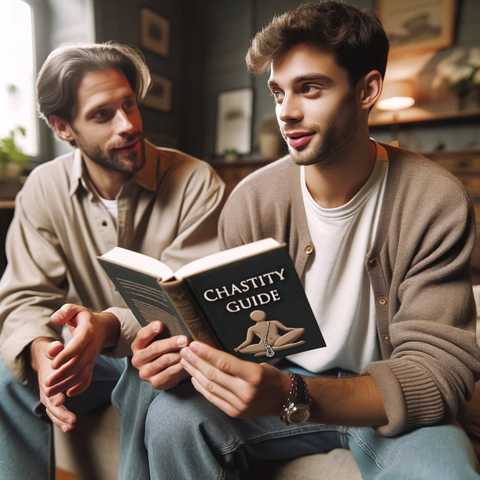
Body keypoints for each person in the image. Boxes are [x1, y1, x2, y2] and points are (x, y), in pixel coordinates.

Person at [125, 2, 480, 479]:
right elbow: (235, 336)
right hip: (281, 381)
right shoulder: (253, 199)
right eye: (277, 92)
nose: (286, 112)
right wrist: (175, 352)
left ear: (367, 90)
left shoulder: (433, 198)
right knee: (171, 420)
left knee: (446, 471)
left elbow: (438, 374)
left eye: (309, 88)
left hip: (381, 395)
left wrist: (295, 394)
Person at [0, 42, 224, 479]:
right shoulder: (42, 188)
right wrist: (41, 352)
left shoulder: (196, 182)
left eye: (130, 105)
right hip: (85, 357)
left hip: (163, 352)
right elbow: (25, 296)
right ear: (63, 127)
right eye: (103, 115)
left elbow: (187, 310)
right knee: (7, 373)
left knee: (151, 363)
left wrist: (106, 326)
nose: (129, 125)